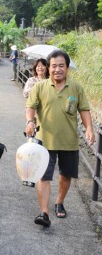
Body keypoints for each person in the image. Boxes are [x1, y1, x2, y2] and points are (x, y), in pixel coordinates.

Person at [25, 50, 95, 227]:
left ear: (67, 68)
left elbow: (84, 110)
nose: (57, 69)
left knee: (66, 176)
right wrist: (29, 121)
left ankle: (59, 202)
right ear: (48, 68)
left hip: (68, 142)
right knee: (44, 177)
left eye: (61, 66)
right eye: (54, 66)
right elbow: (30, 107)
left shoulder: (76, 88)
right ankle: (44, 212)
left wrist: (89, 129)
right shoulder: (39, 87)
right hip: (44, 141)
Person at [23, 58, 49, 187]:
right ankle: (30, 173)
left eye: (43, 66)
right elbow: (25, 93)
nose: (40, 68)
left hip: (45, 116)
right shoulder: (31, 80)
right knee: (32, 142)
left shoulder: (50, 81)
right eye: (38, 66)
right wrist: (37, 89)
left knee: (43, 142)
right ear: (35, 68)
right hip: (32, 115)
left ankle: (41, 169)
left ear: (46, 68)